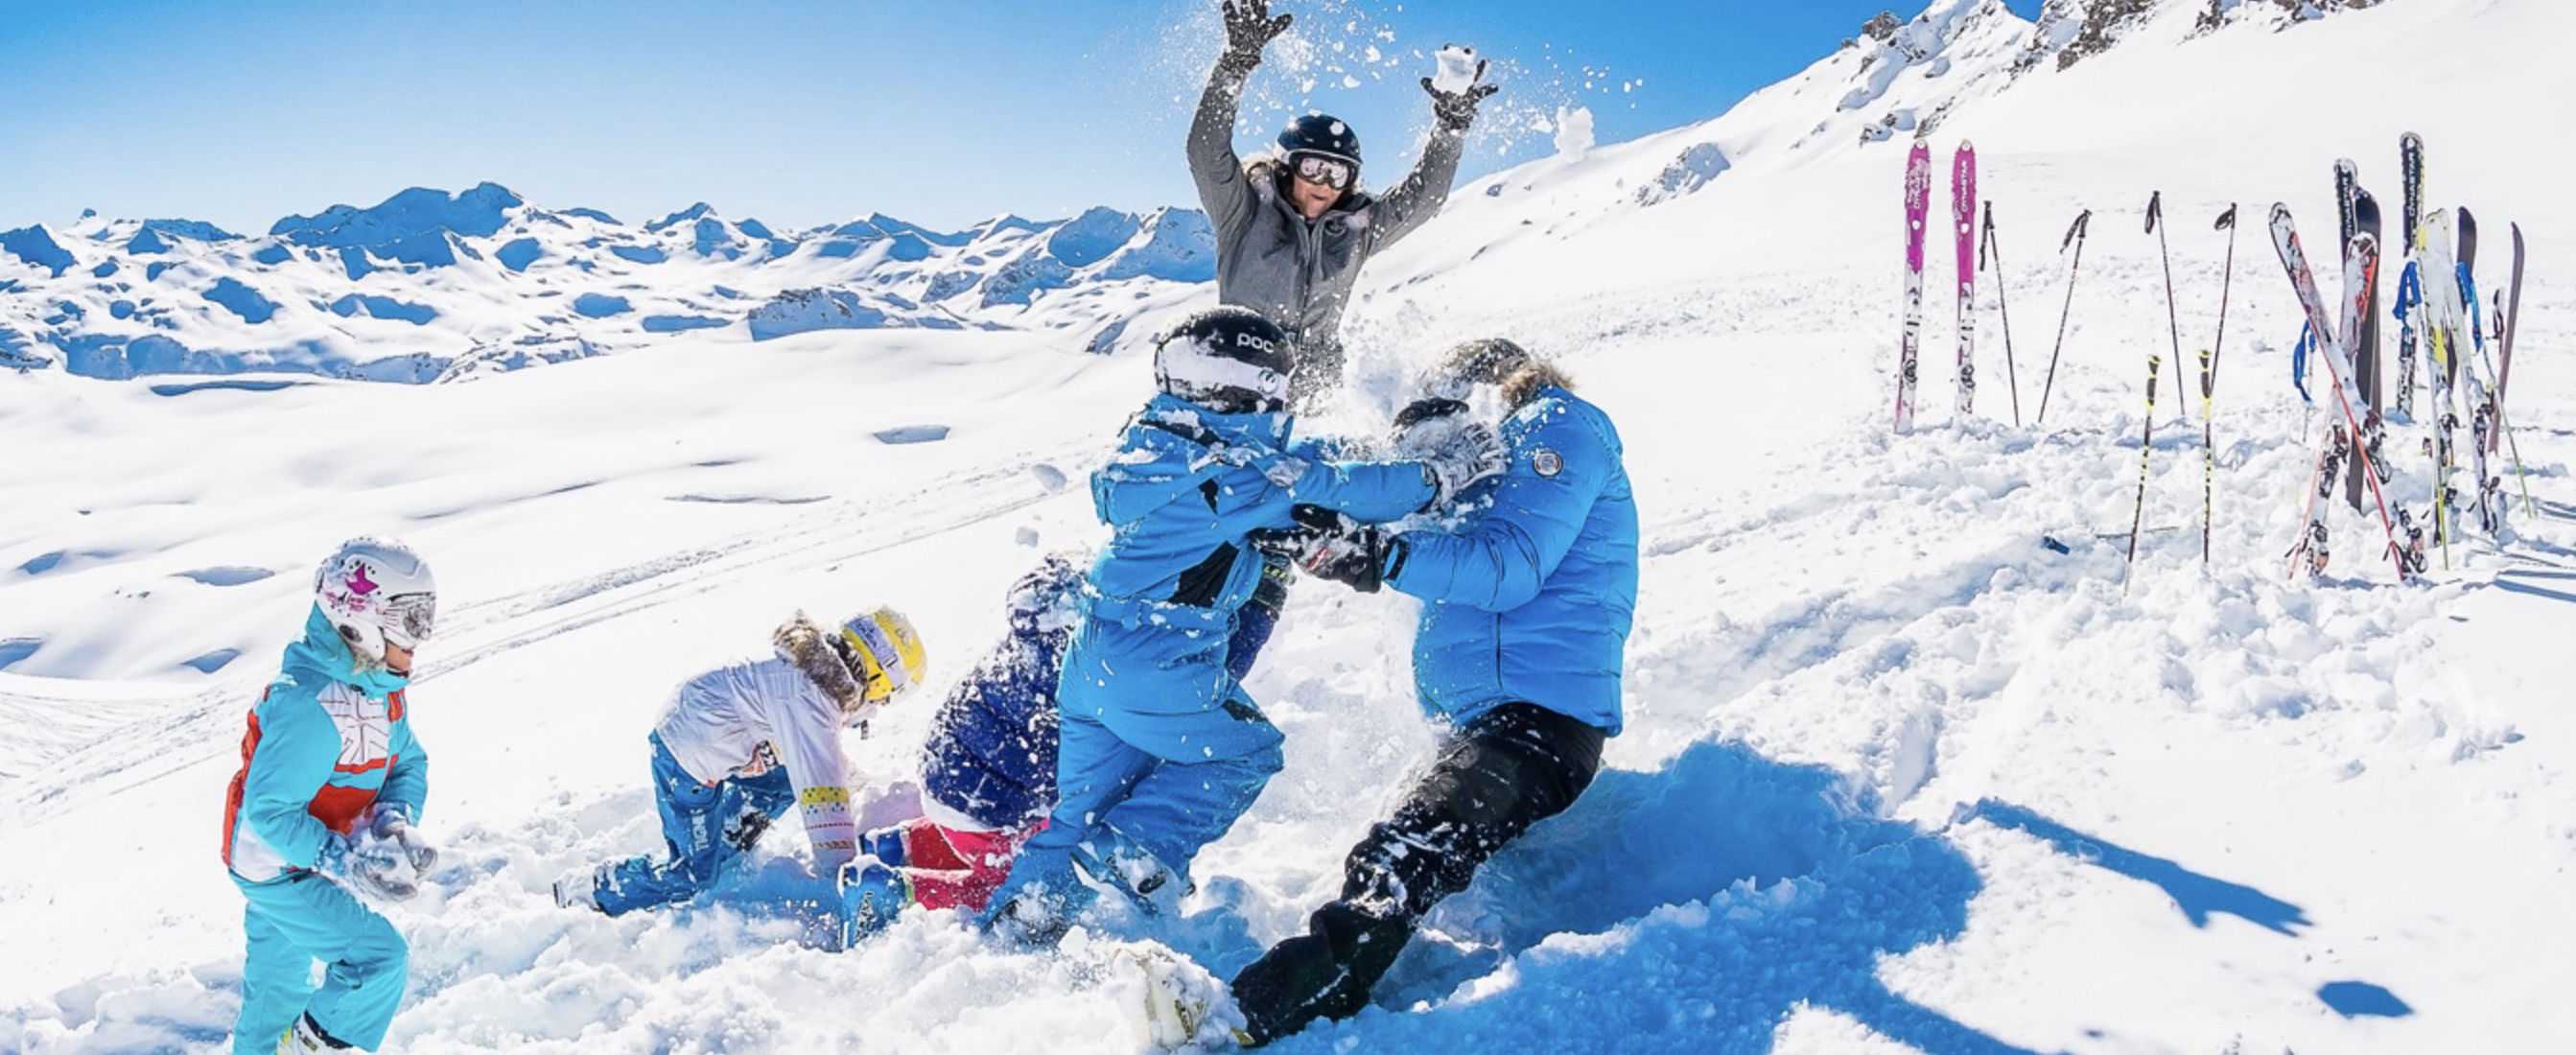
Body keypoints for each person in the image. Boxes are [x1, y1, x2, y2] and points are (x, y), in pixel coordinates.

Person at [978, 307, 1500, 945]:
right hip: (1157, 664)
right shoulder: (1237, 473)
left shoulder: (1155, 447)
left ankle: (1014, 930)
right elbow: (1341, 488)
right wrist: (1437, 475)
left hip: (1092, 661)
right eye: (1277, 383)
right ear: (1253, 385)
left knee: (1075, 814)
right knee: (1244, 753)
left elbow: (1296, 469)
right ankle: (1136, 858)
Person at [1227, 338, 1638, 1045]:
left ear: (1484, 396)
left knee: (1403, 855)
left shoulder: (1556, 426)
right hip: (1490, 726)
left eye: (1432, 419)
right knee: (1396, 847)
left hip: (1539, 725)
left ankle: (1252, 1014)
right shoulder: (1489, 464)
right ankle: (1282, 994)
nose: (1428, 446)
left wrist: (1378, 556)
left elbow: (1509, 566)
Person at [1191, 0, 1499, 408]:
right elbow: (1205, 151)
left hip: (1315, 393)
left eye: (1339, 174)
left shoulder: (1355, 229)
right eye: (1314, 167)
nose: (1326, 183)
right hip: (1238, 376)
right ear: (1286, 167)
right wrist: (1236, 63)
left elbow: (1423, 200)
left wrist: (1450, 127)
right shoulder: (1245, 213)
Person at [551, 606, 925, 917]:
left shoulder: (812, 677)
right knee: (693, 876)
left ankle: (726, 838)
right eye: (888, 697)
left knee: (782, 780)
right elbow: (823, 804)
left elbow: (821, 758)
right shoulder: (810, 698)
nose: (880, 710)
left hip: (707, 730)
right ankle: (591, 891)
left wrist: (871, 792)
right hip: (686, 762)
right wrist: (846, 880)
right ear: (877, 678)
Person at [222, 537, 445, 1054]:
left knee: (277, 989)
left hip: (307, 856)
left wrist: (391, 819)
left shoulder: (380, 693)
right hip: (275, 864)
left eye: (427, 617)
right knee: (376, 960)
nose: (422, 636)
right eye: (410, 620)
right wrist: (341, 859)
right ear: (357, 621)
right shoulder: (309, 707)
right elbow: (269, 811)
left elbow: (408, 761)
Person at [832, 552, 1083, 941]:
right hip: (982, 808)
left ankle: (899, 845)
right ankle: (891, 890)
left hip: (943, 774)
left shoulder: (1024, 643)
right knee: (1014, 883)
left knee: (996, 821)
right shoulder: (1077, 675)